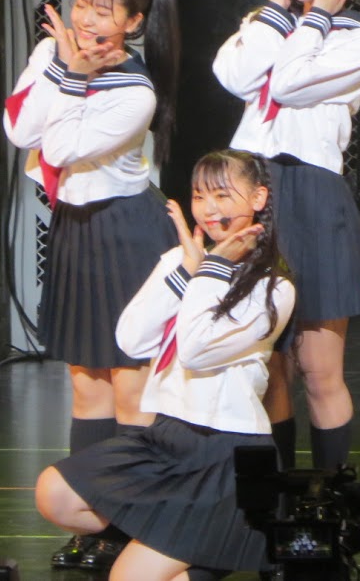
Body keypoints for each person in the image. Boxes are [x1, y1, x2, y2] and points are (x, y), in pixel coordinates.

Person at [34, 149, 296, 580]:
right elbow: (131, 339)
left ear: (257, 198)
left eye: (222, 196)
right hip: (166, 439)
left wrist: (210, 269)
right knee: (55, 493)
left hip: (227, 454)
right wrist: (186, 271)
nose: (208, 209)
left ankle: (206, 543)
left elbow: (195, 349)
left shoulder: (273, 288)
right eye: (199, 196)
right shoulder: (182, 261)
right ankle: (181, 541)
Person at [3, 0, 181, 570]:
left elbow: (58, 146)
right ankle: (98, 522)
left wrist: (71, 76)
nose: (85, 19)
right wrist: (62, 67)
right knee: (87, 384)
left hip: (126, 231)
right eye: (82, 3)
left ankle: (139, 525)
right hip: (76, 231)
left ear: (133, 22)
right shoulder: (53, 54)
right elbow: (19, 128)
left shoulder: (134, 91)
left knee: (131, 386)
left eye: (103, 11)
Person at [213, 0, 360, 473]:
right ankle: (277, 500)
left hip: (312, 193)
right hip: (252, 187)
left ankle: (331, 498)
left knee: (318, 368)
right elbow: (233, 77)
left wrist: (308, 21)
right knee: (266, 366)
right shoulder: (270, 21)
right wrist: (274, 13)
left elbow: (287, 84)